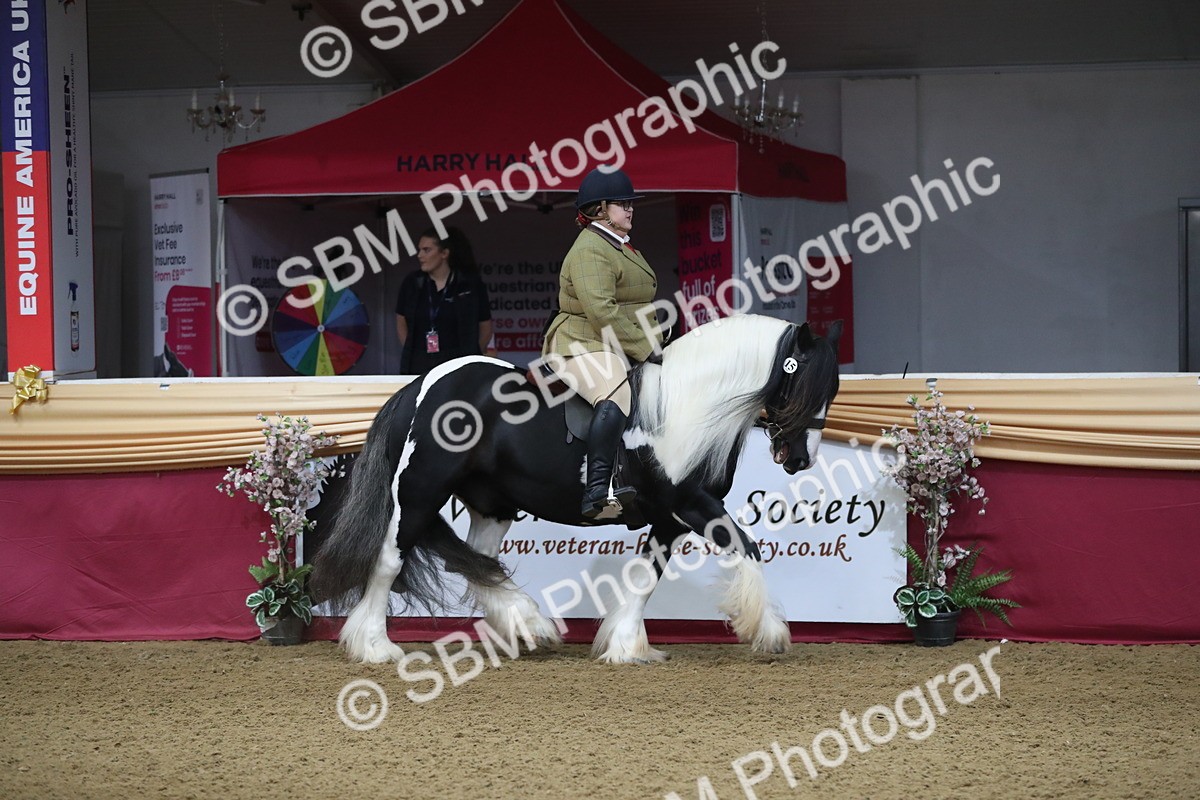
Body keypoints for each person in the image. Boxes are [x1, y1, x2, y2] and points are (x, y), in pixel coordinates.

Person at [542, 167, 663, 519]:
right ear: (600, 210)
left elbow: (632, 306)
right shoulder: (590, 249)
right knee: (615, 391)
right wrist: (647, 349)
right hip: (580, 342)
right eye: (622, 204)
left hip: (610, 339)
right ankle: (597, 490)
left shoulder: (617, 245)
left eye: (630, 204)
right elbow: (602, 312)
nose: (630, 209)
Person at [395, 227, 493, 374]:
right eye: (419, 250)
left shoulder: (469, 284)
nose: (420, 255)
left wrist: (471, 356)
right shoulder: (412, 283)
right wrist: (412, 351)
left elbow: (485, 327)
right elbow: (401, 321)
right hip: (418, 362)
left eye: (426, 250)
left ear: (444, 253)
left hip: (458, 363)